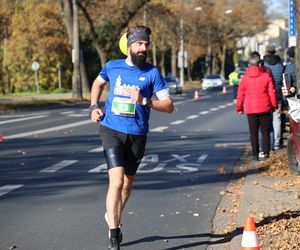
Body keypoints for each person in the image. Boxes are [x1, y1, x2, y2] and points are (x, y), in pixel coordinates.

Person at [89, 25, 174, 250]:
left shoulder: (152, 73)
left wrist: (145, 101)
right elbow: (98, 83)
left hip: (137, 133)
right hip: (111, 129)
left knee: (127, 184)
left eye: (146, 44)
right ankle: (114, 234)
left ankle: (112, 215)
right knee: (116, 181)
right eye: (139, 44)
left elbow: (169, 106)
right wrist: (93, 106)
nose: (143, 48)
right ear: (129, 46)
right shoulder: (112, 67)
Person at [236, 51, 278, 161]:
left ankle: (255, 155)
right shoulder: (266, 76)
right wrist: (274, 106)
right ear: (260, 64)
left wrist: (239, 108)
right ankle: (266, 154)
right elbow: (271, 92)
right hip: (265, 108)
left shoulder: (245, 78)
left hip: (251, 109)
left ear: (249, 65)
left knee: (253, 133)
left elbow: (240, 94)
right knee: (265, 132)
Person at [263, 44, 284, 150]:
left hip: (266, 95)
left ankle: (267, 144)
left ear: (266, 52)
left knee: (266, 121)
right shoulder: (280, 64)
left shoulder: (263, 64)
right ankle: (276, 142)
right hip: (278, 94)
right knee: (277, 119)